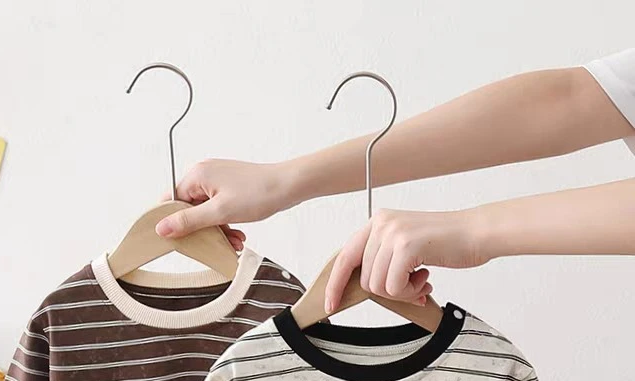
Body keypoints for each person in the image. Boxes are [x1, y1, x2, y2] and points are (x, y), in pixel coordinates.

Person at [155, 50, 635, 314]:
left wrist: (474, 229)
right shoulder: (245, 374)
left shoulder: (496, 380)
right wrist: (283, 180)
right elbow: (576, 99)